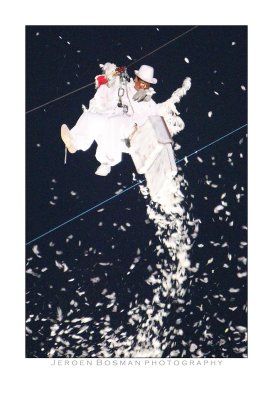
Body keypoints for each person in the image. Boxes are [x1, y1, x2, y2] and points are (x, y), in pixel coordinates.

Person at [61, 64, 159, 176]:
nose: (143, 85)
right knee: (92, 118)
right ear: (136, 78)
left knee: (115, 123)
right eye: (141, 81)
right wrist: (108, 79)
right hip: (110, 124)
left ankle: (107, 161)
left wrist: (144, 100)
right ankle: (74, 142)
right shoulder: (124, 86)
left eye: (146, 84)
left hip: (129, 132)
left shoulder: (149, 103)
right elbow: (105, 93)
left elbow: (152, 122)